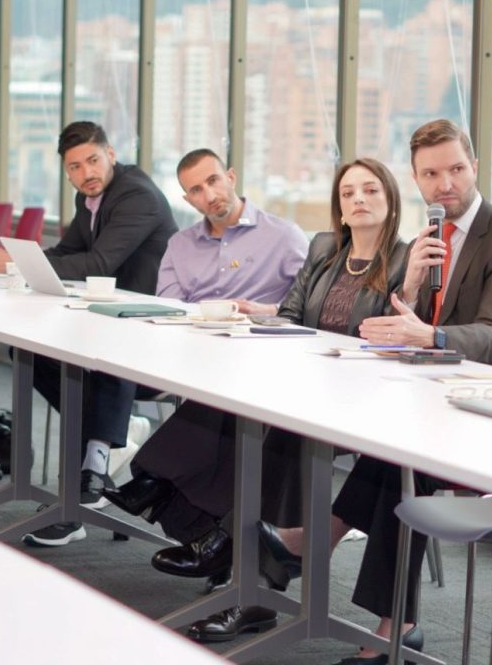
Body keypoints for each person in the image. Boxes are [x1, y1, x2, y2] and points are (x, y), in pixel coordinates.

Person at [258, 119, 492, 664]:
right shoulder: (425, 242)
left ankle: (322, 552)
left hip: (485, 411)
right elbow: (400, 322)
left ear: (475, 167)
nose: (445, 184)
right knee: (386, 447)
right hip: (428, 400)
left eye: (456, 170)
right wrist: (408, 291)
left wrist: (431, 335)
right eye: (431, 174)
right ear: (415, 179)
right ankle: (392, 621)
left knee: (398, 458)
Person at [104, 158, 407, 644]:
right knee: (236, 389)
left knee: (285, 426)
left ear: (391, 198)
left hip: (361, 394)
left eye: (371, 190)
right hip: (309, 379)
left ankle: (239, 565)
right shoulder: (326, 248)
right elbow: (292, 313)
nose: (359, 199)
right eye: (348, 192)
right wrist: (256, 324)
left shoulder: (406, 262)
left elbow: (388, 335)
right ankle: (233, 556)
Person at [0, 120, 177, 547]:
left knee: (101, 354)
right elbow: (70, 252)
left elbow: (99, 262)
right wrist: (24, 260)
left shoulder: (137, 196)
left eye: (93, 160)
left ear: (111, 154)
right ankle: (111, 432)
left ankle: (90, 477)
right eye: (75, 166)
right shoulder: (89, 197)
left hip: (151, 328)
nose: (86, 173)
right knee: (29, 353)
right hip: (104, 317)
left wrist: (18, 266)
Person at [156, 147, 308, 304]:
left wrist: (268, 311)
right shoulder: (178, 245)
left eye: (213, 181)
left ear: (231, 178)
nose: (210, 197)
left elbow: (312, 302)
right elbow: (169, 310)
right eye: (196, 190)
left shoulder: (285, 235)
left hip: (258, 320)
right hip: (193, 320)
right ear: (189, 200)